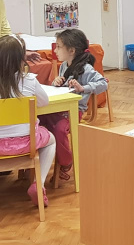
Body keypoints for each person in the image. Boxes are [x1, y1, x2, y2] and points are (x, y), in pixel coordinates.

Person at [0, 35, 56, 209]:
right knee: (51, 140)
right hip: (27, 143)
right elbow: (44, 102)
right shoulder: (29, 80)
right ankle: (39, 184)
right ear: (20, 59)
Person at [40, 28, 107, 182]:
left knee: (59, 129)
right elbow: (61, 88)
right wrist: (56, 82)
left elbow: (103, 83)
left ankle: (66, 162)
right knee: (40, 121)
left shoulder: (86, 69)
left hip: (73, 111)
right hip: (59, 107)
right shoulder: (64, 65)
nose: (55, 50)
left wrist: (83, 88)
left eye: (58, 47)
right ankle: (37, 163)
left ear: (71, 50)